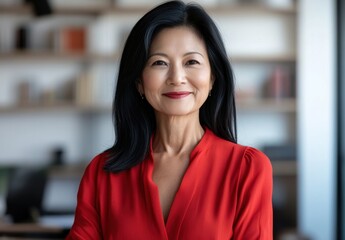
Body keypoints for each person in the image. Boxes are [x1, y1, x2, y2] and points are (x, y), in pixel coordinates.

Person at [66, 1, 272, 239]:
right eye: (159, 63)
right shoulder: (101, 173)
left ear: (213, 77)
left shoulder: (247, 169)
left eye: (191, 62)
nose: (177, 78)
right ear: (139, 82)